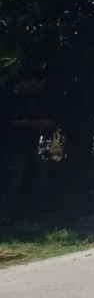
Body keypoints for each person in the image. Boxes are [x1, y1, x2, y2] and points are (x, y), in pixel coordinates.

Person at [1, 79, 52, 213]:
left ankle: (32, 210)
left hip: (31, 146)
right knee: (12, 182)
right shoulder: (12, 96)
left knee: (37, 176)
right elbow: (13, 121)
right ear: (32, 81)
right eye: (40, 84)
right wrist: (38, 123)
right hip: (14, 147)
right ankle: (6, 213)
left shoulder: (31, 98)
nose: (41, 88)